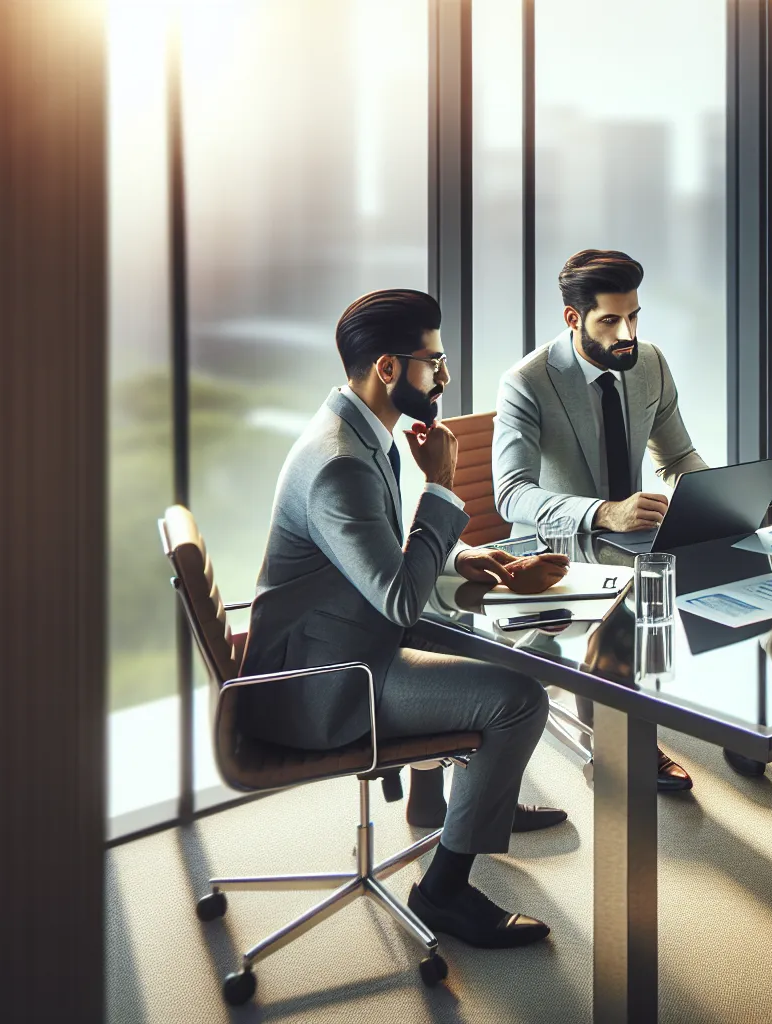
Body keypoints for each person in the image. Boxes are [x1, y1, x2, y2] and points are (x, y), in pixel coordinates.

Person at [239, 289, 572, 949]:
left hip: (343, 638)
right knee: (519, 702)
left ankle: (466, 801)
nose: (444, 375)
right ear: (388, 369)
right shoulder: (339, 464)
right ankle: (443, 890)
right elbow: (396, 596)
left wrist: (468, 555)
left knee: (503, 646)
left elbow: (376, 554)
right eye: (434, 362)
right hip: (328, 681)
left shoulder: (363, 432)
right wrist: (442, 488)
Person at [493, 249, 707, 792]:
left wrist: (713, 500)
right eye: (611, 320)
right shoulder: (527, 381)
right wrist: (603, 512)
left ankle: (741, 731)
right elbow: (511, 494)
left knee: (729, 568)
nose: (626, 332)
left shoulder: (649, 363)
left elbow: (678, 458)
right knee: (636, 598)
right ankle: (622, 740)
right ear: (574, 319)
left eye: (633, 316)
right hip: (554, 547)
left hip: (629, 540)